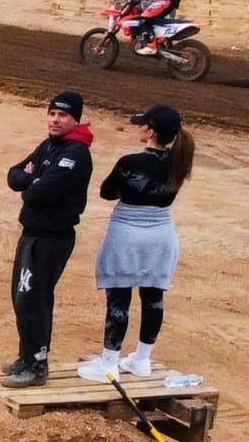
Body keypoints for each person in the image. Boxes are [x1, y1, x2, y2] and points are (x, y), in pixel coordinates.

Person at [77, 106, 193, 382]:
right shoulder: (178, 162)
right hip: (162, 234)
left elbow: (107, 192)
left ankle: (109, 363)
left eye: (143, 125)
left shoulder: (130, 162)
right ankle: (142, 359)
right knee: (154, 296)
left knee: (119, 298)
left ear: (150, 131)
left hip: (127, 233)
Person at [2, 91, 95, 388]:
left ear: (75, 119)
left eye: (63, 115)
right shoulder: (49, 146)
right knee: (22, 297)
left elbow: (37, 194)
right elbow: (14, 175)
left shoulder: (76, 154)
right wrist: (33, 179)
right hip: (32, 233)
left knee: (35, 300)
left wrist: (31, 181)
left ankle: (37, 364)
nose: (55, 119)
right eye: (52, 113)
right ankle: (26, 357)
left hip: (52, 238)